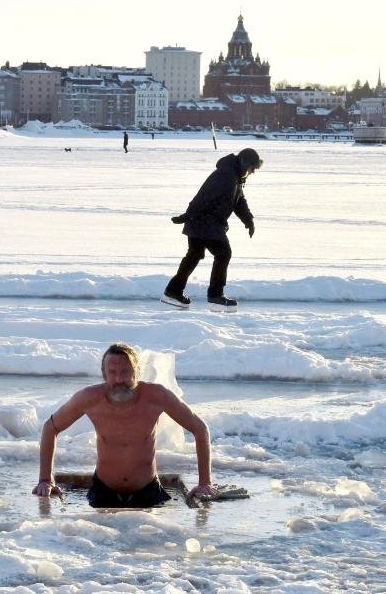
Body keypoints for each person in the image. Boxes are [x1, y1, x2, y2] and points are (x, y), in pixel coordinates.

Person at [32, 343, 217, 508]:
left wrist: (204, 483)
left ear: (136, 371)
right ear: (104, 374)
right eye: (113, 372)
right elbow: (50, 428)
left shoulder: (157, 396)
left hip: (147, 489)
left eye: (125, 372)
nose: (119, 379)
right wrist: (45, 479)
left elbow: (200, 429)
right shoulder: (89, 398)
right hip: (103, 490)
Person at [162, 148, 261, 309]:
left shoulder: (235, 177)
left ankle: (173, 291)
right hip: (205, 222)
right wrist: (186, 216)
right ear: (244, 163)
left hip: (204, 223)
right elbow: (203, 198)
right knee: (223, 253)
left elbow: (239, 201)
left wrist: (248, 220)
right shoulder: (225, 176)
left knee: (194, 255)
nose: (252, 172)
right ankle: (216, 295)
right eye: (252, 168)